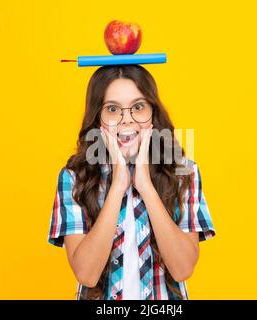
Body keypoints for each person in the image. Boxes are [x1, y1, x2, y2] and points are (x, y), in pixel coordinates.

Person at [48, 64, 216, 300]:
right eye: (112, 109)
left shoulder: (183, 173)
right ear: (98, 120)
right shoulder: (74, 178)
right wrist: (117, 187)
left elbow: (183, 268)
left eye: (138, 107)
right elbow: (86, 274)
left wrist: (145, 186)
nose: (127, 120)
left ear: (153, 115)